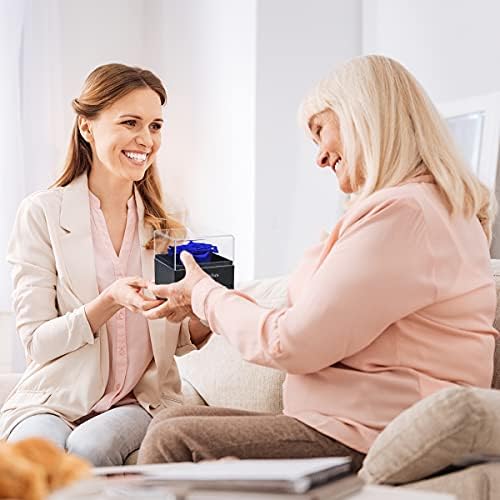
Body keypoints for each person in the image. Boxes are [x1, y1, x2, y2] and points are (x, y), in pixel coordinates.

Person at [137, 55, 498, 471]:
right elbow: (308, 322)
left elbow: (290, 343)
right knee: (170, 422)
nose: (320, 158)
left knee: (172, 438)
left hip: (373, 433)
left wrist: (203, 293)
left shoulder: (404, 215)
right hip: (355, 423)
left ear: (363, 116)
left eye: (320, 131)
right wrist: (203, 300)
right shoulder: (422, 208)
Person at [0, 63, 211, 466]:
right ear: (87, 127)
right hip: (54, 398)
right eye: (130, 123)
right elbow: (38, 342)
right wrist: (108, 302)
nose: (146, 139)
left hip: (140, 401)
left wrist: (206, 312)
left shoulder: (168, 220)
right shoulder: (42, 213)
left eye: (155, 126)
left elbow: (175, 338)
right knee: (37, 455)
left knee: (90, 447)